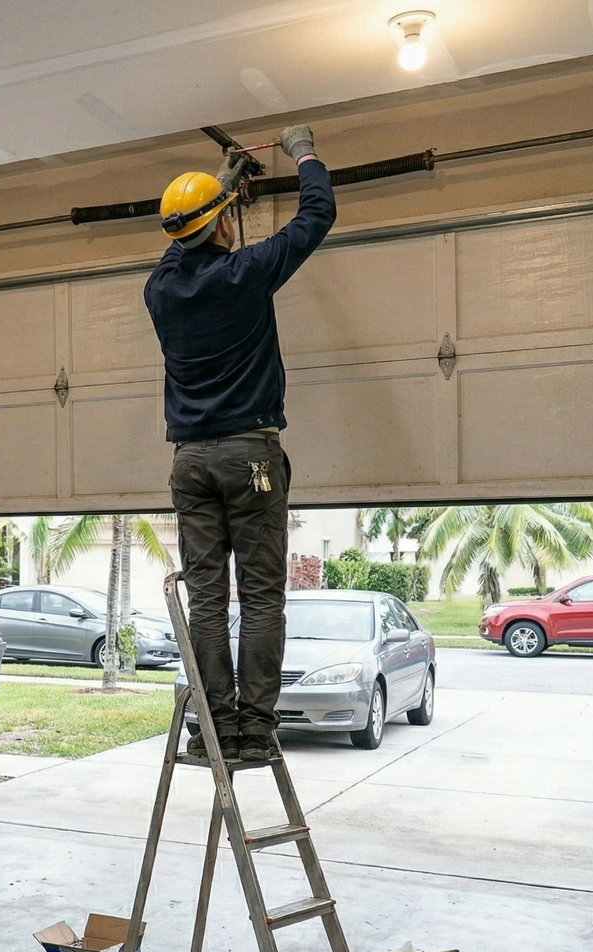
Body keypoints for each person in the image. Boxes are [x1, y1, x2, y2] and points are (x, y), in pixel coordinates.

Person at [143, 125, 336, 764]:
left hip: (189, 462)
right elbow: (318, 214)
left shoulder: (161, 290)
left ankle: (213, 731)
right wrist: (302, 153)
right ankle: (254, 732)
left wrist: (221, 187)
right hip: (250, 457)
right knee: (259, 599)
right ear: (224, 226)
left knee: (207, 602)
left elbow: (180, 246)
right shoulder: (247, 273)